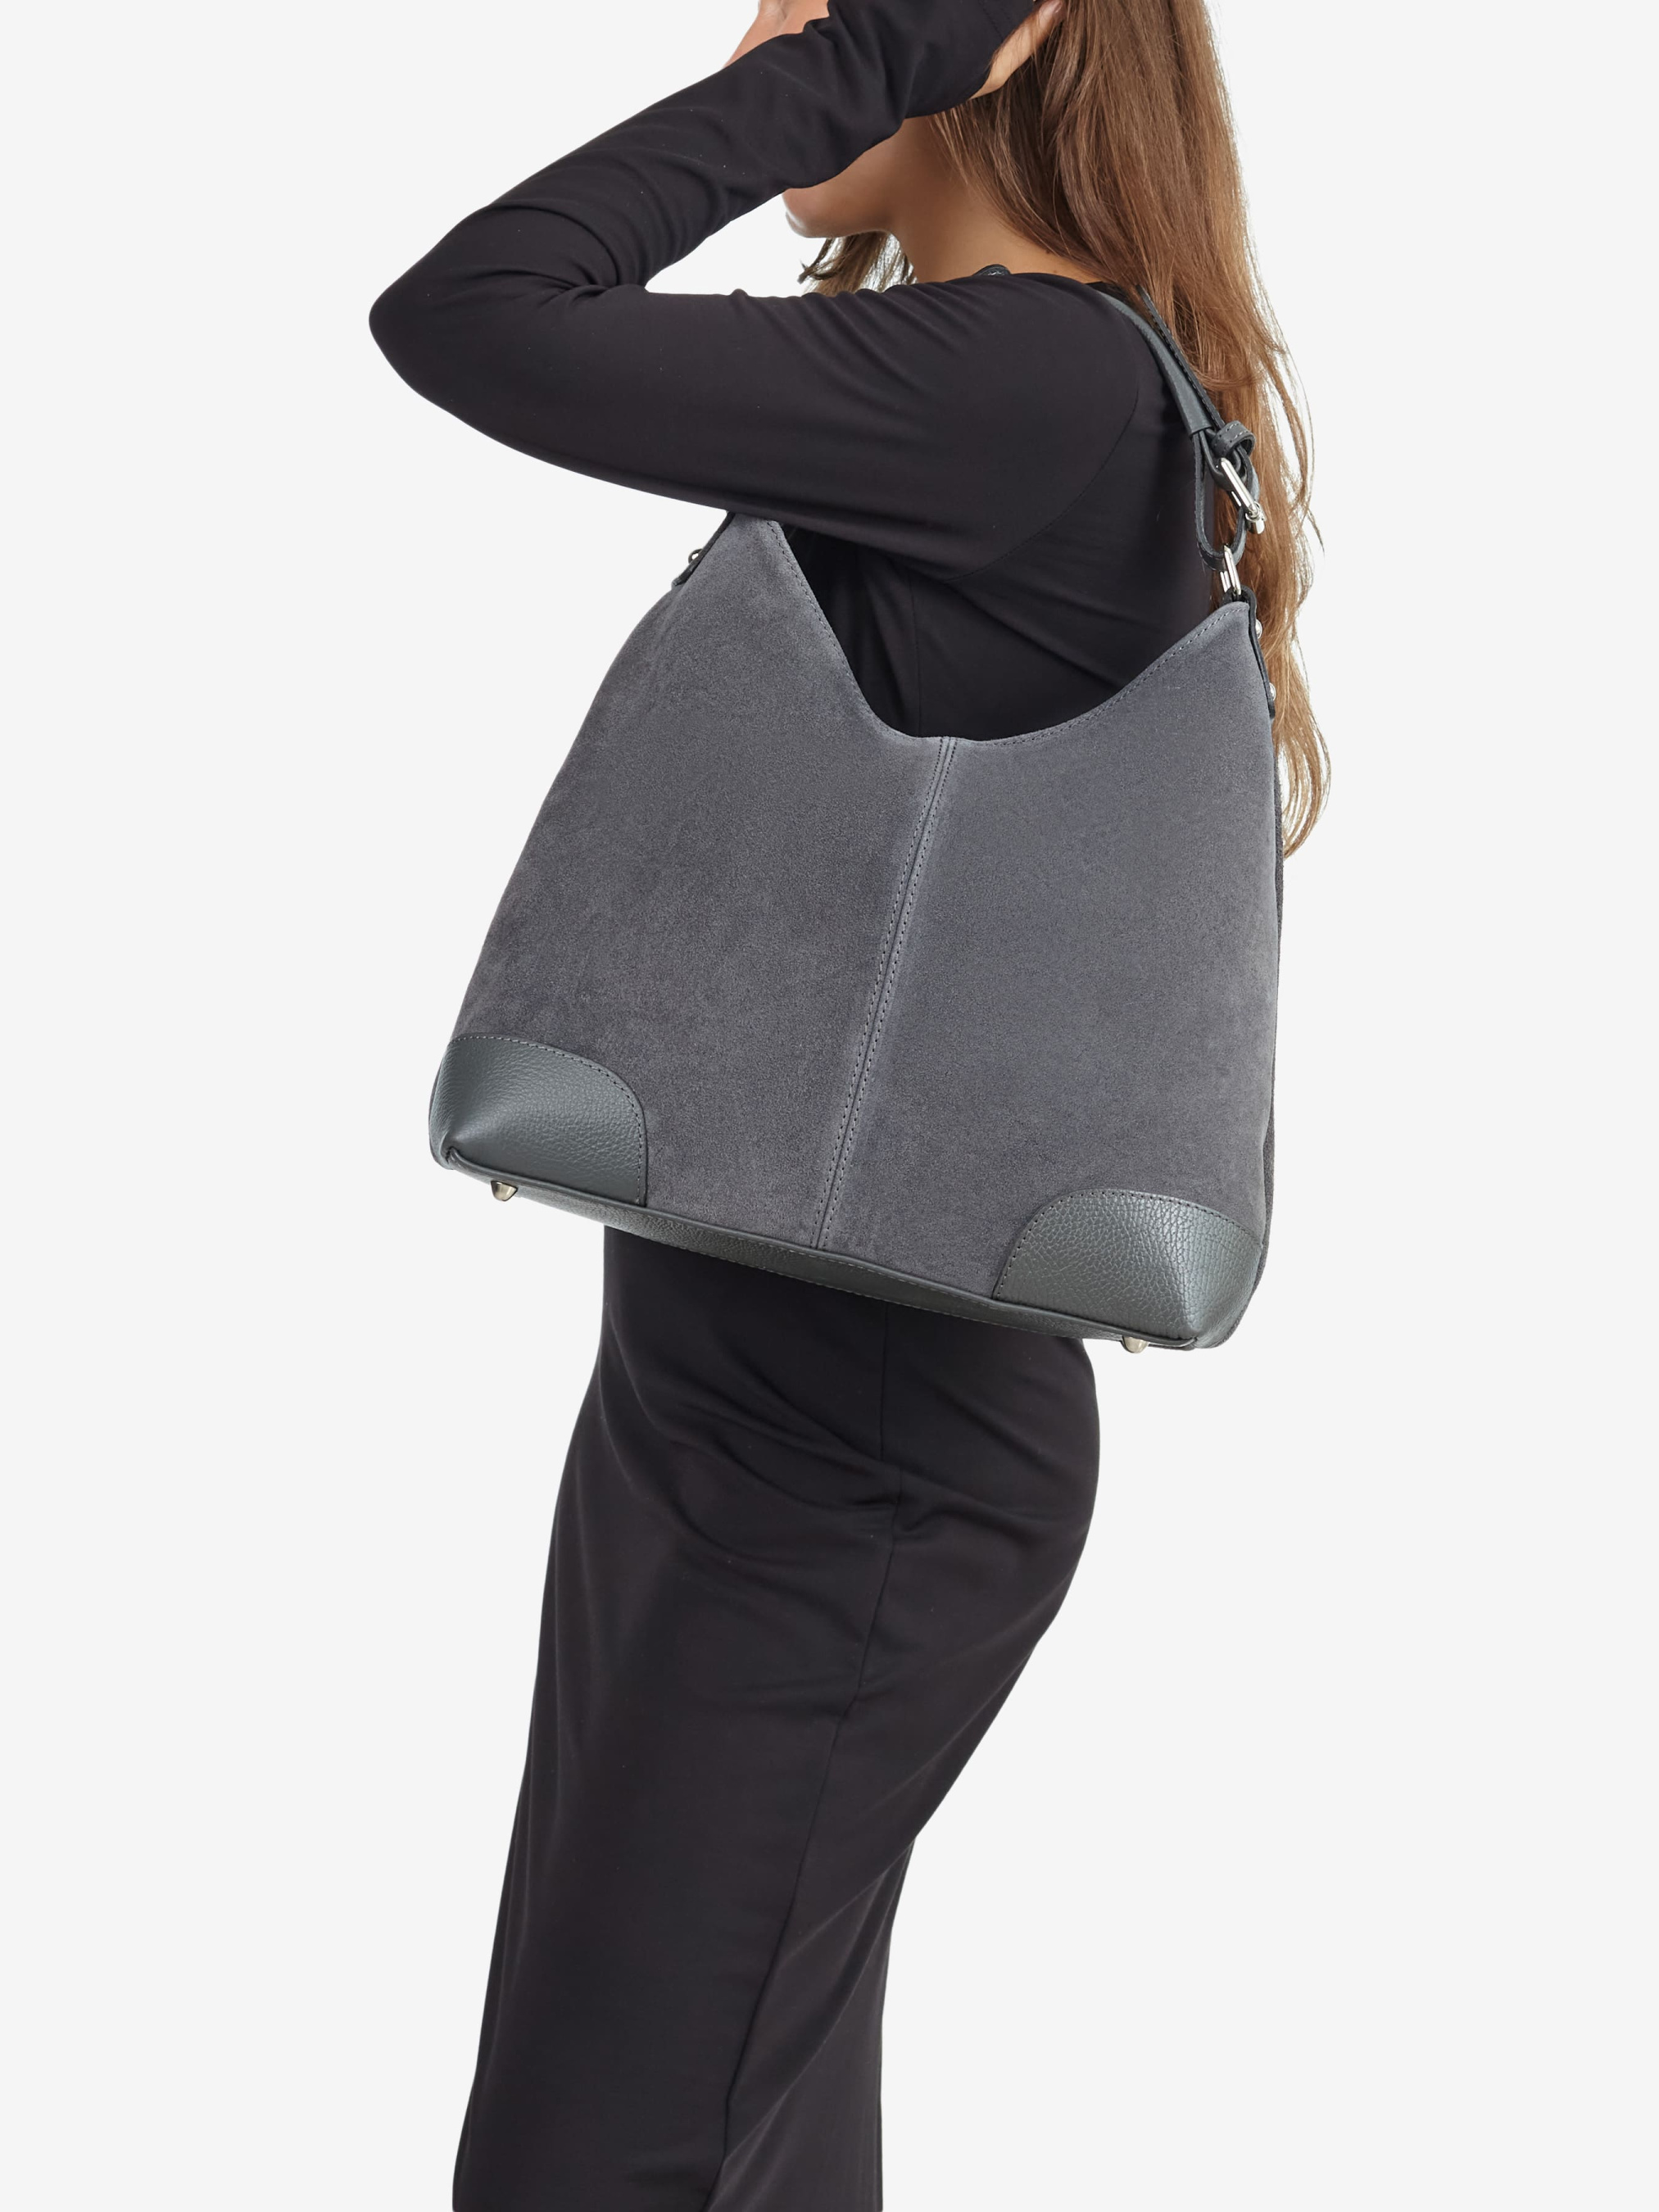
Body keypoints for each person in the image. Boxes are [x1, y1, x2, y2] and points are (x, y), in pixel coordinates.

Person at [370, 1, 1321, 2203]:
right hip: (746, 1386)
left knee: (602, 2156)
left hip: (848, 1455)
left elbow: (473, 312)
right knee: (732, 2146)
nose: (754, 36)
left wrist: (866, 61)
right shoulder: (997, 385)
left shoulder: (1025, 383)